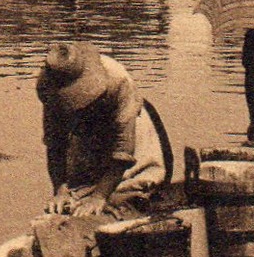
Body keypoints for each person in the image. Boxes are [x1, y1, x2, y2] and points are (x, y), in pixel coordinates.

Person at [36, 43, 170, 217]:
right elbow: (55, 144)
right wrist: (60, 190)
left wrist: (99, 196)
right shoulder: (52, 82)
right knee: (77, 195)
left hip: (129, 122)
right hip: (84, 130)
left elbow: (123, 149)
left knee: (133, 186)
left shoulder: (118, 79)